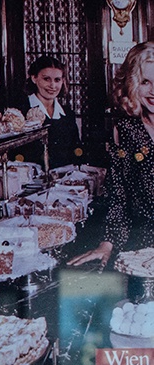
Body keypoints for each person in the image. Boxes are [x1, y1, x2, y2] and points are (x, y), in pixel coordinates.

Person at [70, 42, 154, 267]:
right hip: (144, 248)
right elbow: (119, 196)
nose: (153, 91)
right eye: (145, 82)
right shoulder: (125, 130)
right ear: (132, 84)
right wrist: (106, 245)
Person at [17, 56, 82, 169]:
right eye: (46, 79)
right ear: (34, 78)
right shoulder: (21, 111)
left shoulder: (67, 113)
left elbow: (75, 151)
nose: (52, 86)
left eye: (57, 80)